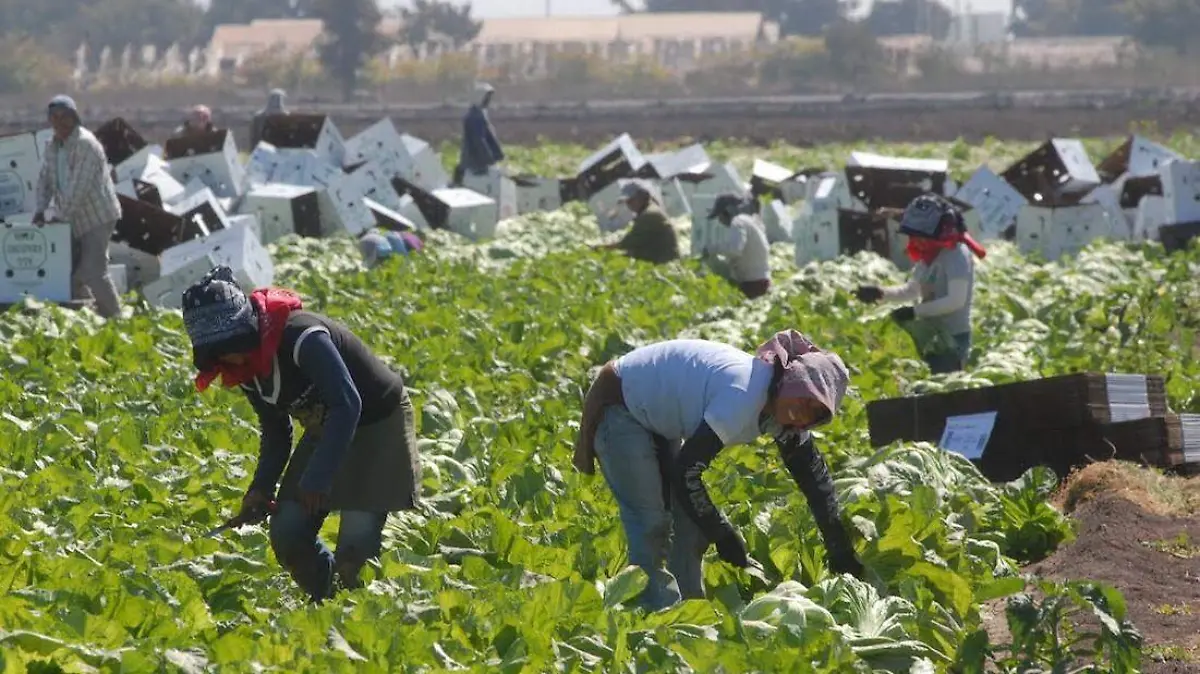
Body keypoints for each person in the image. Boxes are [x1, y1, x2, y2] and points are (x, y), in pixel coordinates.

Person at [572, 330, 864, 611]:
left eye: (814, 412)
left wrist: (840, 548)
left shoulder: (784, 413)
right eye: (804, 397)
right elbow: (686, 472)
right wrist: (723, 534)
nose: (802, 412)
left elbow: (815, 481)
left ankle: (686, 611)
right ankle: (653, 614)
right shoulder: (745, 394)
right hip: (619, 404)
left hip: (654, 414)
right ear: (793, 381)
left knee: (688, 523)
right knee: (650, 522)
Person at [181, 266, 422, 603]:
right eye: (218, 352)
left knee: (355, 550)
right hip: (327, 426)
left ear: (245, 329)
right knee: (288, 532)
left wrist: (318, 479)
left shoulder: (302, 337)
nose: (227, 357)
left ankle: (353, 614)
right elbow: (276, 430)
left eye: (230, 346)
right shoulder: (244, 367)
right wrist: (261, 488)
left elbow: (348, 403)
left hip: (376, 423)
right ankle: (327, 603)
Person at [855, 193, 985, 374]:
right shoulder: (927, 256)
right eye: (913, 236)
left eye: (921, 236)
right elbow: (913, 290)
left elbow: (955, 301)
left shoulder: (956, 256)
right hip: (929, 333)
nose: (916, 241)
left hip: (951, 339)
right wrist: (880, 293)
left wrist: (915, 312)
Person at [33, 94, 123, 319]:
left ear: (75, 117)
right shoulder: (52, 145)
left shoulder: (85, 144)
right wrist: (39, 209)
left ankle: (116, 319)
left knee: (94, 270)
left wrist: (59, 216)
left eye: (65, 116)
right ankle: (88, 314)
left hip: (97, 215)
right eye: (55, 117)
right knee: (69, 271)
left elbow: (78, 188)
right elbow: (45, 180)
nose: (60, 122)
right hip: (72, 218)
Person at [701, 193, 771, 299]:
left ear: (728, 211)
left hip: (753, 283)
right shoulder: (748, 220)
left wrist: (711, 249)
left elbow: (735, 249)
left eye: (720, 216)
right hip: (760, 280)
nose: (720, 221)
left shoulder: (738, 222)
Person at [593, 180, 680, 265]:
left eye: (631, 200)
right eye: (627, 202)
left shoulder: (649, 215)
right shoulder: (648, 211)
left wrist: (600, 248)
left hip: (666, 265)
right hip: (660, 261)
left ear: (642, 196)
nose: (629, 205)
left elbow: (627, 243)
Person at [453, 82, 504, 185]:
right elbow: (479, 141)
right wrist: (489, 159)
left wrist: (496, 154)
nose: (488, 100)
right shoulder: (474, 116)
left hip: (476, 162)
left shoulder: (480, 113)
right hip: (474, 164)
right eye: (487, 97)